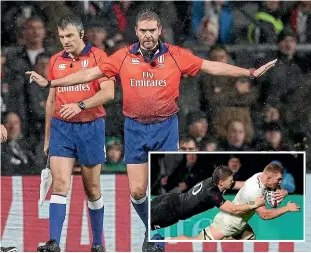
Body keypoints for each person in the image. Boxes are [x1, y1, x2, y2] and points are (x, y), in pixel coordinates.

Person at [26, 11, 277, 252]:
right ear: (136, 31)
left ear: (159, 31)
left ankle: (153, 235)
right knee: (136, 192)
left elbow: (211, 66)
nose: (147, 34)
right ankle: (152, 227)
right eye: (143, 30)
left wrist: (249, 72)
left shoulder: (176, 55)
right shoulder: (123, 56)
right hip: (134, 128)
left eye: (152, 30)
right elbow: (89, 74)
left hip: (165, 128)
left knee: (163, 188)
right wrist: (51, 82)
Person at [35, 15, 114, 252]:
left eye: (69, 35)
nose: (65, 41)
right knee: (60, 184)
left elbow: (108, 93)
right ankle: (53, 242)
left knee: (92, 189)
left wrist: (81, 105)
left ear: (81, 34)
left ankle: (98, 242)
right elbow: (51, 100)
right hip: (62, 128)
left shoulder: (99, 57)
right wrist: (47, 137)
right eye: (61, 37)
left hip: (91, 127)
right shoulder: (55, 61)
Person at [167, 163, 300, 241]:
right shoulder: (254, 191)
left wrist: (284, 192)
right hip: (226, 225)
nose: (280, 182)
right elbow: (265, 215)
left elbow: (275, 187)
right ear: (269, 177)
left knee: (250, 242)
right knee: (195, 242)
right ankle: (164, 242)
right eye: (279, 180)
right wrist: (287, 208)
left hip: (240, 225)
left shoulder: (261, 175)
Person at [151, 166, 264, 230]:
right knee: (143, 225)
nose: (232, 181)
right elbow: (233, 209)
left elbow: (237, 184)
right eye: (230, 180)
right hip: (170, 210)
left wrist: (257, 183)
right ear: (221, 182)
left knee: (140, 216)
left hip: (170, 198)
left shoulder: (212, 180)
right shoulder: (212, 195)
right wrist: (255, 203)